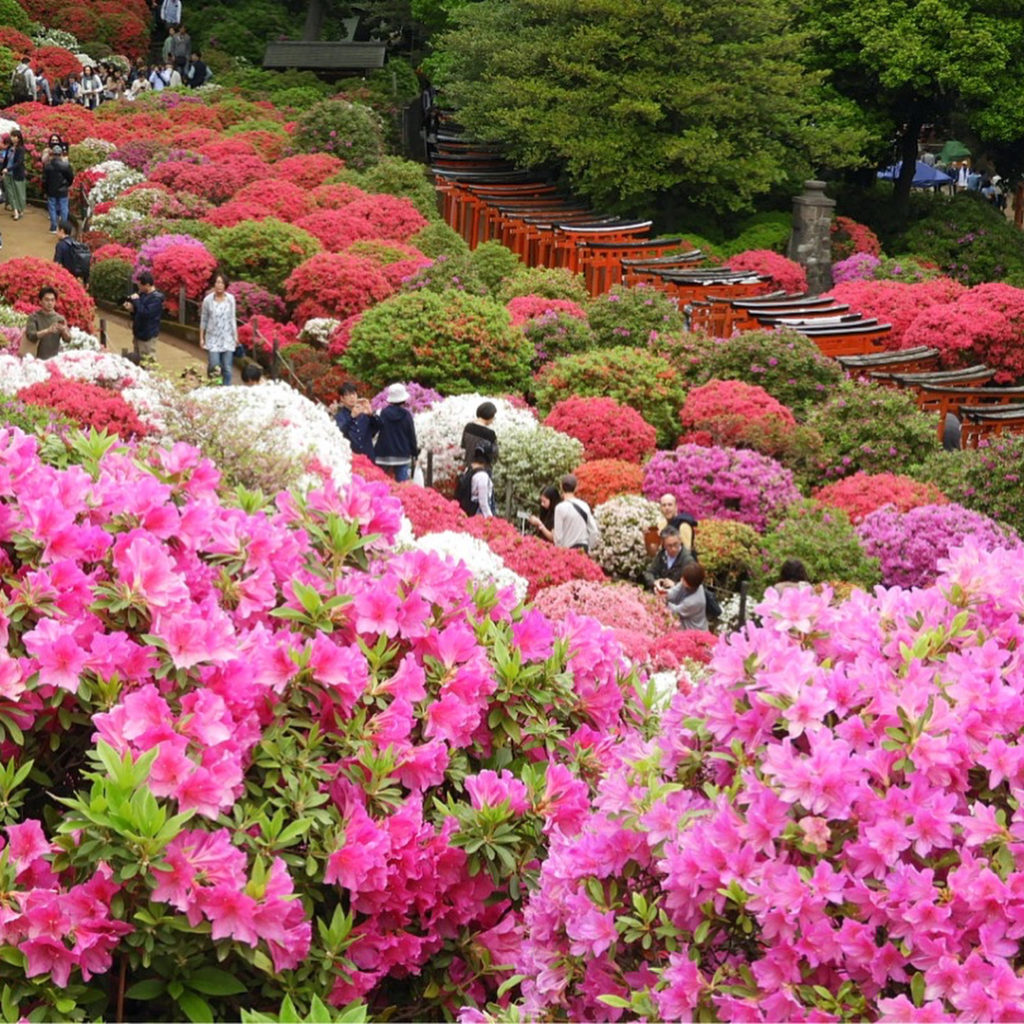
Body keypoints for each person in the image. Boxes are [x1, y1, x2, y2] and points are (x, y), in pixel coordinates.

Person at [199, 270, 238, 385]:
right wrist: (201, 337)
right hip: (212, 338)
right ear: (214, 284)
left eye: (221, 282)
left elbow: (232, 318)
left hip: (227, 338)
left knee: (227, 368)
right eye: (217, 282)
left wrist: (235, 336)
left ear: (225, 284)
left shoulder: (231, 299)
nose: (219, 285)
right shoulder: (207, 300)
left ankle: (226, 390)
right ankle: (214, 387)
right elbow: (204, 319)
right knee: (214, 366)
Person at [374, 383, 419, 481]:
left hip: (383, 454)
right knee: (402, 486)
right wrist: (415, 453)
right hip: (402, 455)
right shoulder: (407, 415)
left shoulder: (383, 413)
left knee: (381, 482)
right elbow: (411, 435)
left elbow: (376, 430)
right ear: (404, 399)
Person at [123, 270, 164, 363]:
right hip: (138, 333)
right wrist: (132, 309)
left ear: (148, 285)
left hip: (147, 335)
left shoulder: (156, 299)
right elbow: (138, 311)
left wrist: (136, 301)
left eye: (141, 285)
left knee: (148, 362)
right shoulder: (142, 295)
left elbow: (146, 313)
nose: (139, 288)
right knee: (137, 361)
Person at [22, 286, 71, 360]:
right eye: (47, 300)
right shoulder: (34, 317)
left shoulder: (60, 318)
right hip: (35, 358)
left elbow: (68, 339)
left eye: (52, 300)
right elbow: (31, 336)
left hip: (53, 359)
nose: (50, 303)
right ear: (40, 301)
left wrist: (64, 331)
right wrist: (47, 331)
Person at [553, 473, 598, 551]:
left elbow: (558, 537)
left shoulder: (559, 508)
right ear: (576, 488)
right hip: (583, 548)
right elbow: (594, 531)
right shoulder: (584, 505)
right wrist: (589, 547)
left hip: (568, 550)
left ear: (561, 487)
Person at [334, 381, 379, 458]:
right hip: (352, 457)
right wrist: (352, 417)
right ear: (342, 398)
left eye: (354, 394)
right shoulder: (339, 416)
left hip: (368, 457)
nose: (352, 397)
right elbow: (340, 433)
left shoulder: (364, 413)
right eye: (348, 395)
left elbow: (378, 428)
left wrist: (371, 414)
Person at [644, 527, 692, 593]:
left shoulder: (687, 560)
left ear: (680, 541)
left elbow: (692, 585)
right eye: (669, 546)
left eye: (676, 544)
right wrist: (654, 582)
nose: (673, 549)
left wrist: (675, 585)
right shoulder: (662, 555)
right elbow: (649, 572)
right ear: (664, 545)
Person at [666, 561, 709, 631]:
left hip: (693, 629)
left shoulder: (693, 601)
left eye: (684, 580)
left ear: (690, 584)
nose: (681, 580)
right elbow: (675, 590)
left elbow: (675, 611)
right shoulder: (689, 581)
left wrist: (664, 601)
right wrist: (665, 593)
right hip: (685, 619)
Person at [43, 144, 74, 233]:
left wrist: (45, 190)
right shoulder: (66, 165)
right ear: (61, 154)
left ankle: (53, 227)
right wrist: (67, 185)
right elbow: (70, 177)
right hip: (63, 190)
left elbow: (44, 180)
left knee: (52, 208)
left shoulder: (47, 166)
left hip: (51, 190)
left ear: (52, 154)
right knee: (64, 207)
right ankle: (63, 228)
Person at [457, 443, 494, 517]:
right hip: (479, 512)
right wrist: (490, 519)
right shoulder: (482, 476)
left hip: (468, 509)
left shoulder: (468, 471)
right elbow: (483, 502)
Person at [460, 400, 499, 467]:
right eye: (493, 416)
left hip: (468, 467)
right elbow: (494, 455)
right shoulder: (490, 434)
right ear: (490, 415)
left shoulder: (468, 427)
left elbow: (463, 445)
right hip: (482, 470)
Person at [2, 130, 27, 221]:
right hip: (7, 174)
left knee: (19, 193)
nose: (12, 138)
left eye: (14, 136)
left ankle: (20, 210)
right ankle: (15, 211)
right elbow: (5, 161)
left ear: (18, 137)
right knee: (11, 193)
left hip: (16, 174)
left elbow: (19, 162)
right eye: (12, 136)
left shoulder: (21, 149)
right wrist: (3, 171)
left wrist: (8, 169)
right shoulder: (9, 148)